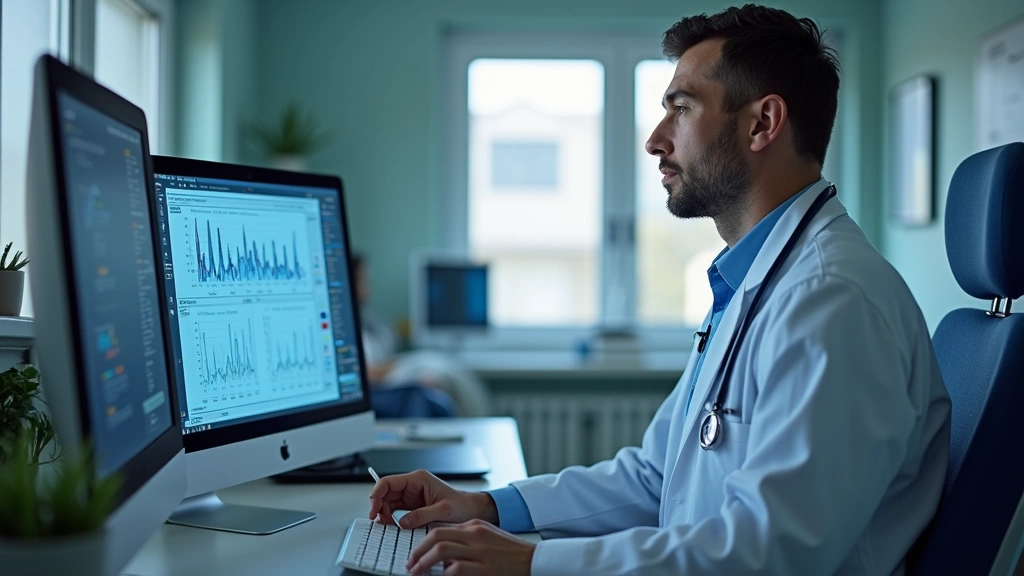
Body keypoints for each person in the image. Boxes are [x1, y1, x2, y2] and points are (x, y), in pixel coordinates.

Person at [368, 5, 951, 575]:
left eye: (681, 107)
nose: (654, 139)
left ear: (762, 124)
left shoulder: (831, 300)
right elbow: (656, 476)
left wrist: (534, 562)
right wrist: (488, 507)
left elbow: (774, 550)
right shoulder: (757, 280)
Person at [352, 254, 458, 418]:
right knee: (423, 394)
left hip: (388, 380)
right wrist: (400, 367)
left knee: (444, 376)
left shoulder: (370, 322)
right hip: (375, 391)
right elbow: (363, 373)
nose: (368, 287)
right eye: (362, 280)